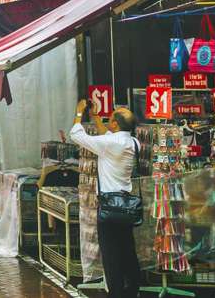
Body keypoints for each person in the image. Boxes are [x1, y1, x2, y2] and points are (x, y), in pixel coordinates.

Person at [70, 100, 141, 298]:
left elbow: (76, 135)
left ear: (116, 124)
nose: (108, 120)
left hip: (109, 206)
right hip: (126, 204)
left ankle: (116, 292)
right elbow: (107, 135)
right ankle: (133, 287)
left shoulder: (110, 144)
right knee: (127, 248)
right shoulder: (133, 143)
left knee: (110, 252)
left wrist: (78, 114)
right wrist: (94, 117)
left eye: (110, 118)